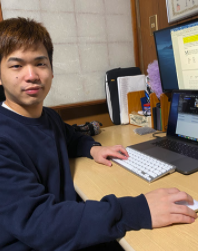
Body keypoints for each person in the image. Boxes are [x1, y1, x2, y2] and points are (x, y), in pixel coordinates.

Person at [0, 17, 196, 251]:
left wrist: (92, 148)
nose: (31, 75)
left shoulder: (48, 117)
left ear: (51, 70)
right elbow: (40, 223)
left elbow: (69, 137)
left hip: (64, 228)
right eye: (16, 66)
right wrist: (139, 209)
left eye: (40, 63)